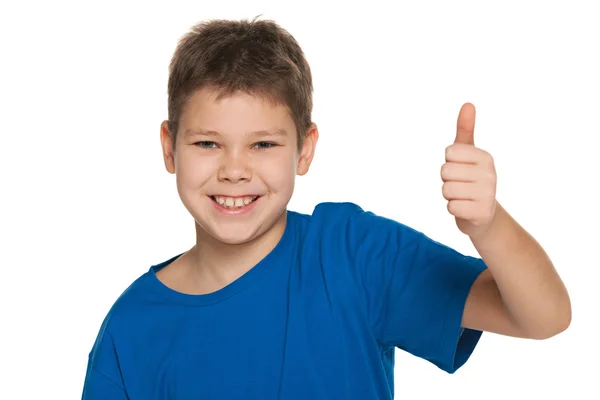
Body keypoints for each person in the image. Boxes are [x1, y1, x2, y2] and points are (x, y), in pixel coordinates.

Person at [81, 17, 571, 399]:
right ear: (169, 148)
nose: (234, 170)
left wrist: (489, 225)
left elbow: (545, 317)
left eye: (263, 145)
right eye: (208, 143)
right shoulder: (131, 328)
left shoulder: (352, 254)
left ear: (305, 149)